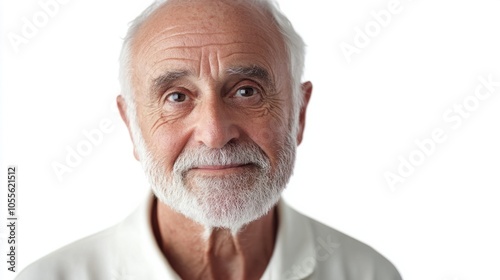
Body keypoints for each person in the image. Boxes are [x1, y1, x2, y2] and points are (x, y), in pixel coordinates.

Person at [16, 0, 402, 279]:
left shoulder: (369, 274)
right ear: (132, 124)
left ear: (298, 113)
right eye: (177, 97)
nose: (215, 135)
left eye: (247, 91)